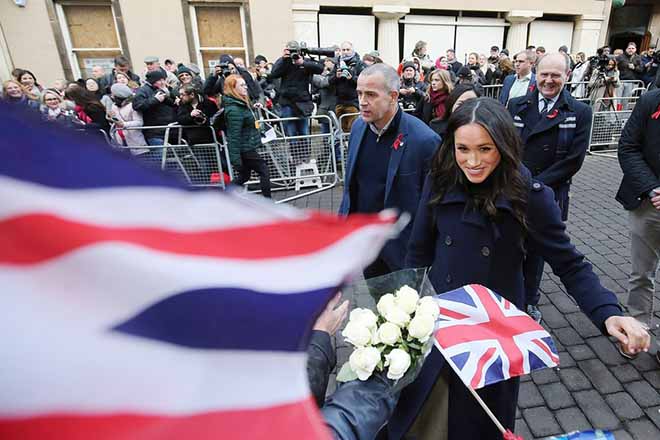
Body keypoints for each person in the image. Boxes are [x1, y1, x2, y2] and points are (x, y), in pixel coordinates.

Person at [388, 97, 650, 440]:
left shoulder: (529, 196)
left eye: (485, 148)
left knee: (475, 426)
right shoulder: (440, 180)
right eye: (462, 148)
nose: (473, 161)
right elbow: (418, 253)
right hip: (439, 322)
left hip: (493, 337)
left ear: (505, 145)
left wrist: (608, 314)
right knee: (422, 417)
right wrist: (402, 312)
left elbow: (569, 264)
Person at [507, 53, 593, 323]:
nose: (549, 80)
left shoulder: (580, 112)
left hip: (547, 194)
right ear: (536, 74)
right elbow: (505, 146)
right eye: (544, 74)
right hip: (512, 191)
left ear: (567, 76)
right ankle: (506, 297)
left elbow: (573, 161)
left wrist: (533, 185)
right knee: (509, 246)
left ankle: (529, 302)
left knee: (536, 252)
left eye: (556, 75)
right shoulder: (516, 104)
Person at [338, 63, 441, 278]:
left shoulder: (424, 140)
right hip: (367, 246)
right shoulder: (358, 127)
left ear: (393, 96)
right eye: (359, 93)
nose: (362, 101)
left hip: (403, 252)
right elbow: (353, 186)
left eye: (371, 94)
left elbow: (431, 206)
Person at [616, 86, 660, 365]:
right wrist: (653, 188)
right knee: (641, 273)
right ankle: (637, 330)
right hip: (649, 203)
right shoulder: (650, 100)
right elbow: (628, 147)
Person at [222, 74, 271, 198]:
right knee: (264, 170)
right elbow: (234, 136)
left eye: (245, 85)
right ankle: (268, 202)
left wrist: (253, 109)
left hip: (246, 146)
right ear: (233, 89)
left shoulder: (241, 104)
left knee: (245, 176)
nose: (245, 87)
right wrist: (236, 160)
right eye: (242, 85)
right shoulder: (234, 109)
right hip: (244, 149)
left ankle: (223, 196)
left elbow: (246, 122)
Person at [269, 41, 324, 139]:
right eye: (290, 50)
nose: (293, 53)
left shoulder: (304, 61)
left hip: (302, 102)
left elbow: (319, 68)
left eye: (294, 50)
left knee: (304, 133)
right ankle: (294, 154)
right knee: (291, 134)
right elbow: (273, 73)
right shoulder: (284, 62)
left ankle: (306, 154)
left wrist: (303, 63)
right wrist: (283, 59)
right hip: (287, 103)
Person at [132, 69, 177, 146]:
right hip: (155, 132)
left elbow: (173, 104)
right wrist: (155, 100)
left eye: (164, 80)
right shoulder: (143, 91)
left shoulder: (164, 89)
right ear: (152, 81)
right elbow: (137, 105)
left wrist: (170, 94)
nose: (163, 82)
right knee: (160, 156)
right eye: (159, 80)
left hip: (170, 130)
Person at [331, 41, 364, 133]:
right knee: (340, 131)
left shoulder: (359, 64)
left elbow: (364, 81)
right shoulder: (337, 63)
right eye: (343, 50)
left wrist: (351, 78)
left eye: (348, 49)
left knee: (352, 130)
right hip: (339, 102)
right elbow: (329, 81)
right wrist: (336, 77)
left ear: (352, 50)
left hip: (353, 102)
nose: (345, 52)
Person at [107, 83, 147, 149]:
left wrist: (124, 124)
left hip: (134, 142)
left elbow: (139, 122)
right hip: (119, 141)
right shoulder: (114, 106)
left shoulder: (132, 106)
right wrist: (110, 117)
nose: (111, 96)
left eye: (113, 94)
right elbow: (115, 121)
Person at [312, 57, 337, 135]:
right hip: (325, 110)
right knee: (326, 135)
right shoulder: (316, 76)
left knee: (338, 135)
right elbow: (323, 82)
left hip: (337, 108)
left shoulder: (335, 74)